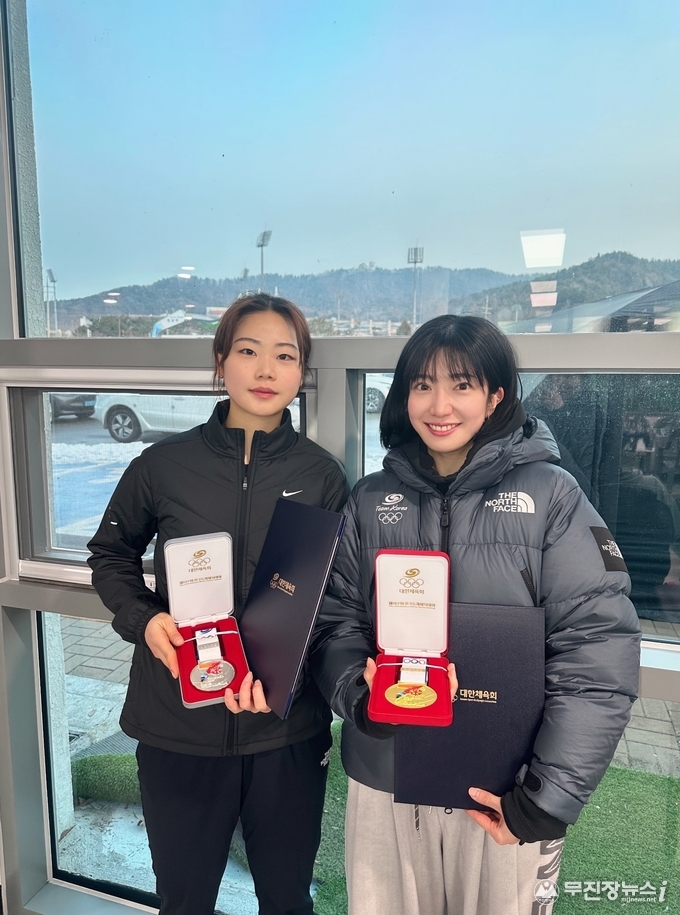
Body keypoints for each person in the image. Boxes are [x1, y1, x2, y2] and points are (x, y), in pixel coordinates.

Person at [310, 314, 641, 915]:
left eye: (461, 384)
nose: (440, 405)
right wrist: (361, 697)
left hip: (504, 788)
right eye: (422, 384)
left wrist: (547, 797)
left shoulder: (552, 496)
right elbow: (337, 623)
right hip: (386, 775)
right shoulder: (370, 499)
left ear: (495, 397)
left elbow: (597, 650)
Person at [87, 293, 348, 915]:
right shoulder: (163, 466)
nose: (266, 370)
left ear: (301, 371)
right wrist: (146, 619)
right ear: (221, 360)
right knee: (184, 900)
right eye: (249, 351)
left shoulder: (322, 476)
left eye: (285, 356)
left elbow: (335, 598)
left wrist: (295, 675)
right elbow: (109, 555)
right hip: (177, 724)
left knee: (287, 899)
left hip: (284, 730)